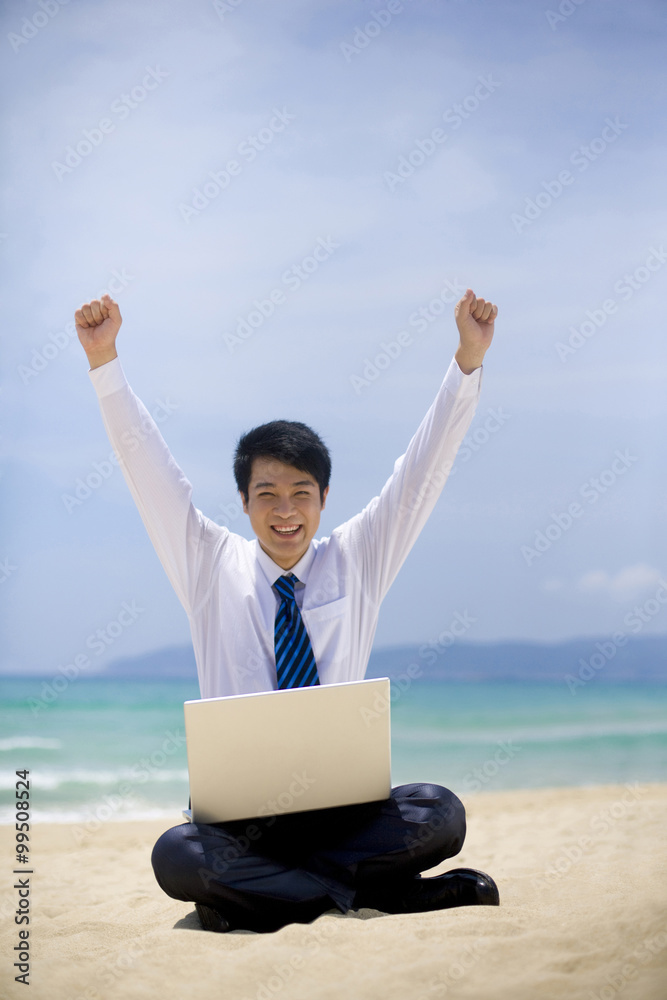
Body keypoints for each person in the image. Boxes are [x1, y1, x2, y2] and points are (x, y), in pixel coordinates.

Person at [74, 287, 500, 933]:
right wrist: (105, 363)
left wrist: (465, 359)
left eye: (300, 492)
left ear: (323, 498)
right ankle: (374, 893)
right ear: (243, 503)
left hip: (342, 812)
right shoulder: (206, 564)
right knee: (176, 855)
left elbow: (421, 475)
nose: (284, 510)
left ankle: (279, 896)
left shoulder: (357, 558)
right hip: (244, 826)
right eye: (266, 493)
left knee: (439, 811)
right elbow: (148, 471)